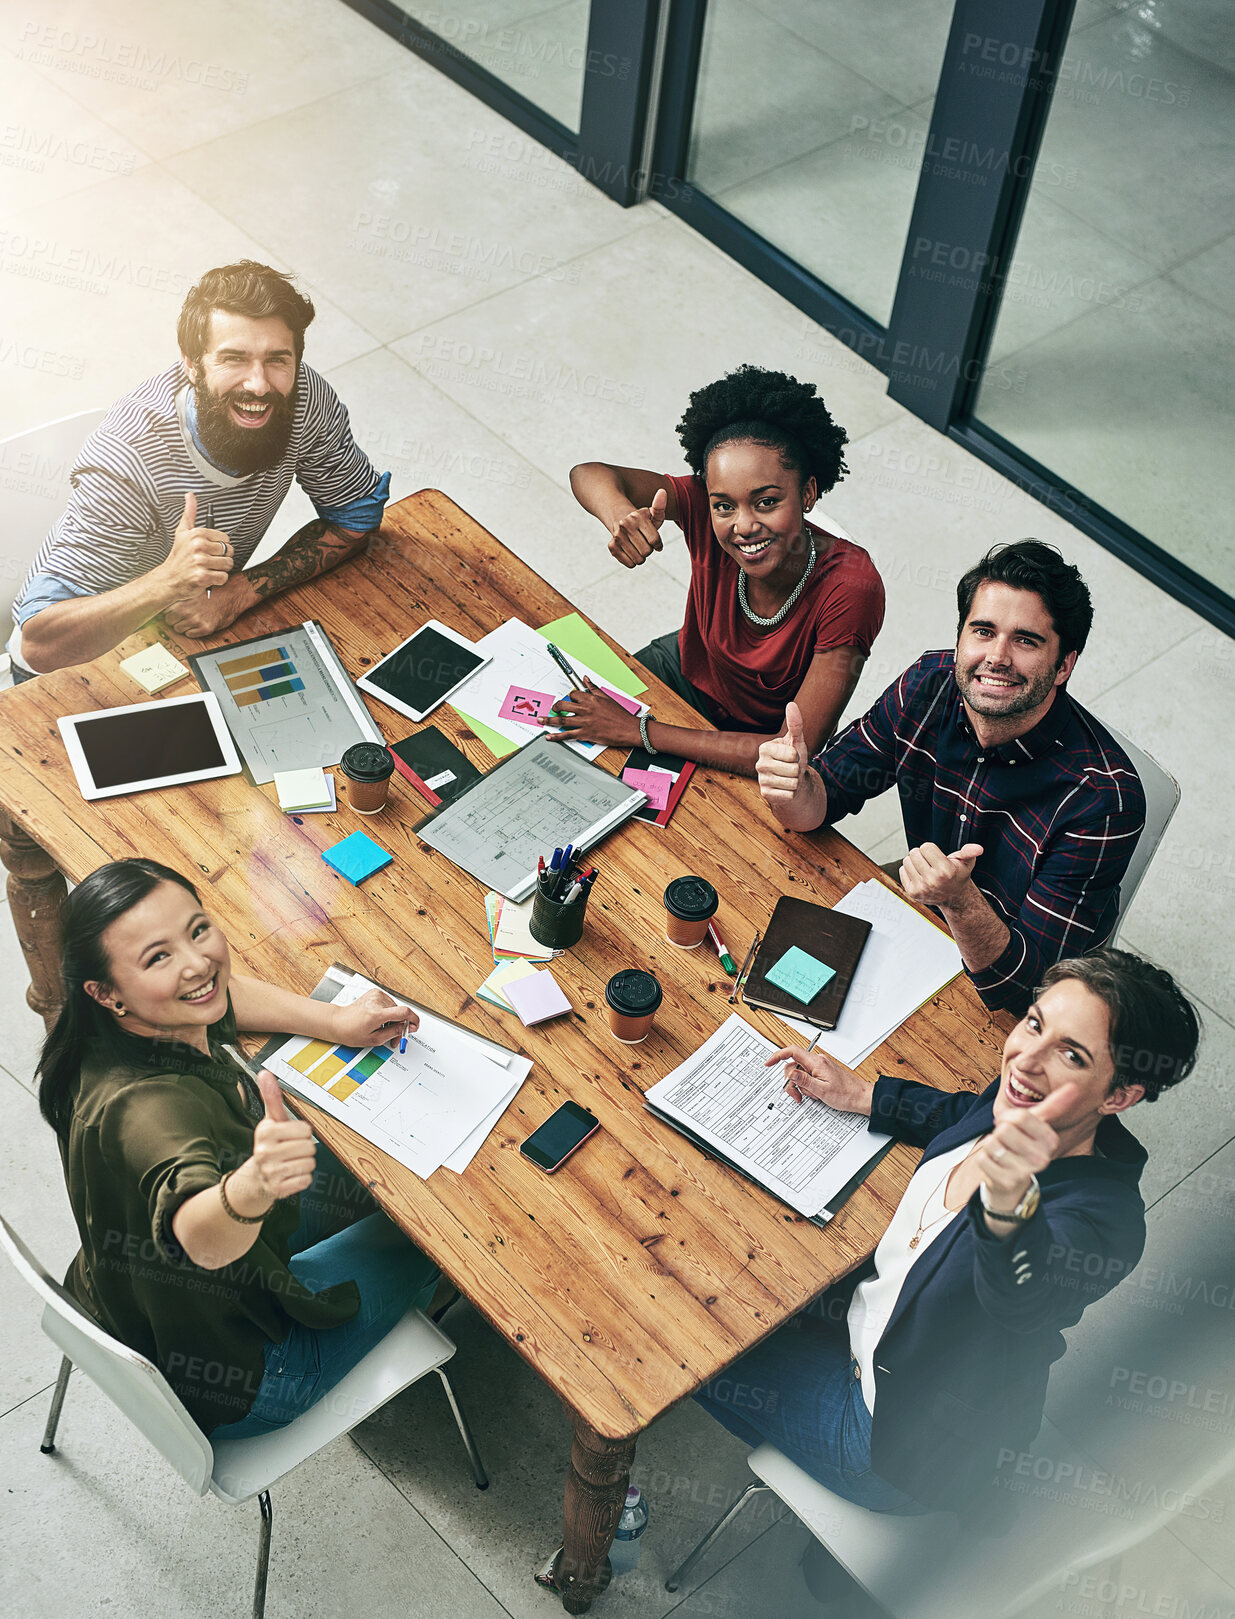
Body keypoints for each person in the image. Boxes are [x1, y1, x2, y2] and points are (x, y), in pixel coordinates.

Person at [696, 949, 1201, 1512]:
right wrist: (865, 1095)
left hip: (890, 1438)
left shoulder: (1104, 1225)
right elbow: (964, 1112)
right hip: (861, 1330)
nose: (1025, 1060)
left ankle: (825, 1475)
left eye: (1072, 1055)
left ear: (1119, 1096)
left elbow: (1022, 1294)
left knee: (691, 1351)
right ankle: (792, 1441)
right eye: (1035, 1024)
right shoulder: (1022, 1096)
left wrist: (1008, 1193)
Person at [36, 858, 439, 1438]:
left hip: (129, 1303)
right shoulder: (151, 1114)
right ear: (106, 991)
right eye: (158, 957)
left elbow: (218, 992)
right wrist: (256, 1183)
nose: (198, 964)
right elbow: (200, 1235)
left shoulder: (110, 1026)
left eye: (198, 929)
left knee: (384, 1172)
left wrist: (334, 1020)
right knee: (437, 1238)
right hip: (248, 1376)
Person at [756, 539, 1145, 1015]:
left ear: (1064, 665)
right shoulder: (928, 682)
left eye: (1025, 640)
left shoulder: (1105, 800)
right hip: (928, 900)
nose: (997, 657)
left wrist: (959, 900)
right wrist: (796, 788)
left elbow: (1028, 989)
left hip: (1012, 964)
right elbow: (823, 800)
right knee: (780, 998)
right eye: (983, 631)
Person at [10, 260, 391, 678]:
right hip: (71, 667)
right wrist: (167, 583)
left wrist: (238, 593)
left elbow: (356, 517)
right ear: (192, 363)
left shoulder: (304, 399)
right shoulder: (129, 458)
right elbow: (41, 645)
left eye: (277, 360)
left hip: (190, 639)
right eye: (234, 359)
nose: (259, 384)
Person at [557, 365, 884, 772]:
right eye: (724, 505)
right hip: (682, 669)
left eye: (766, 501)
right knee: (554, 746)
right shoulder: (699, 507)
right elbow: (587, 474)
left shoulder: (851, 586)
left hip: (751, 747)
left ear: (808, 493)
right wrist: (621, 514)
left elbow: (791, 750)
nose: (743, 526)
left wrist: (639, 731)